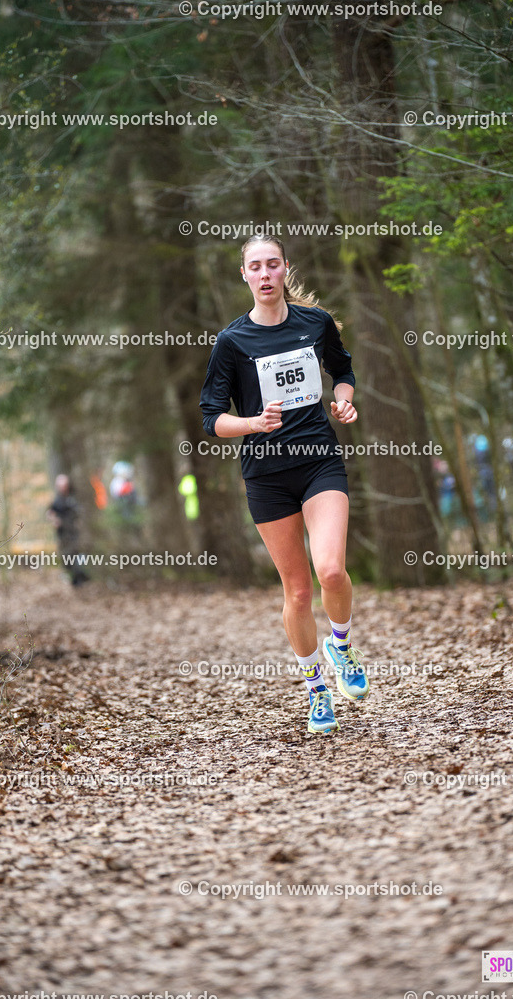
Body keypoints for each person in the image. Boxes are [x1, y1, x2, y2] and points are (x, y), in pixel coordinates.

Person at [200, 234, 369, 734]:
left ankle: (342, 646)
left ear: (285, 269)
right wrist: (253, 423)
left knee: (332, 571)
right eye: (256, 266)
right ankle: (317, 688)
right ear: (245, 276)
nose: (266, 273)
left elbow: (343, 369)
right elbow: (212, 418)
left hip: (319, 461)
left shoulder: (314, 324)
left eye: (274, 264)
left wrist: (343, 399)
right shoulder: (232, 341)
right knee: (297, 593)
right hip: (266, 477)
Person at [46, 474, 88, 586]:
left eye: (63, 485)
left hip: (74, 533)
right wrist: (53, 519)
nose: (61, 487)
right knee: (66, 557)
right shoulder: (57, 499)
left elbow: (79, 514)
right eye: (59, 485)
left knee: (77, 555)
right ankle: (74, 577)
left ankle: (80, 578)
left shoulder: (73, 498)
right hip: (62, 534)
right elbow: (50, 512)